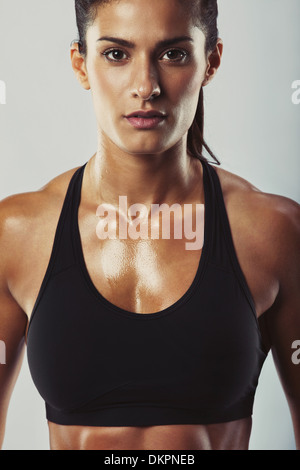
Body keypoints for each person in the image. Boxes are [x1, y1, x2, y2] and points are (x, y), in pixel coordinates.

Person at [0, 0, 299, 451]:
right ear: (81, 65)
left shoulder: (272, 232)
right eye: (117, 54)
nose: (146, 86)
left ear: (211, 61)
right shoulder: (18, 234)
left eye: (173, 54)